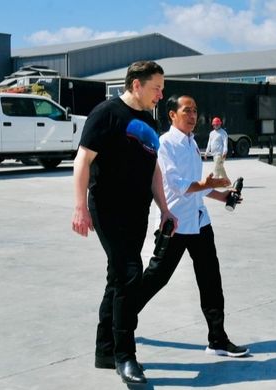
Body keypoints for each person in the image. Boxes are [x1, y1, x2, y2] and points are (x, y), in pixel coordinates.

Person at [71, 61, 176, 385]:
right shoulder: (106, 113)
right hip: (107, 209)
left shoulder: (147, 119)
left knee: (117, 278)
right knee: (130, 275)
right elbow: (82, 160)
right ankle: (124, 356)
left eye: (162, 87)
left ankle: (105, 350)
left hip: (137, 211)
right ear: (136, 85)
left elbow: (153, 167)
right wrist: (79, 208)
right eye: (156, 87)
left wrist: (164, 207)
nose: (161, 94)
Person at [138, 94, 249, 358]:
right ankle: (118, 320)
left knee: (211, 280)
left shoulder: (191, 143)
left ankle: (217, 339)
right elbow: (178, 185)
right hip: (173, 223)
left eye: (195, 111)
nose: (192, 115)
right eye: (187, 110)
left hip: (199, 221)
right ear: (172, 115)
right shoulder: (164, 144)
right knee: (156, 278)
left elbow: (197, 186)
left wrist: (223, 195)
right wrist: (208, 185)